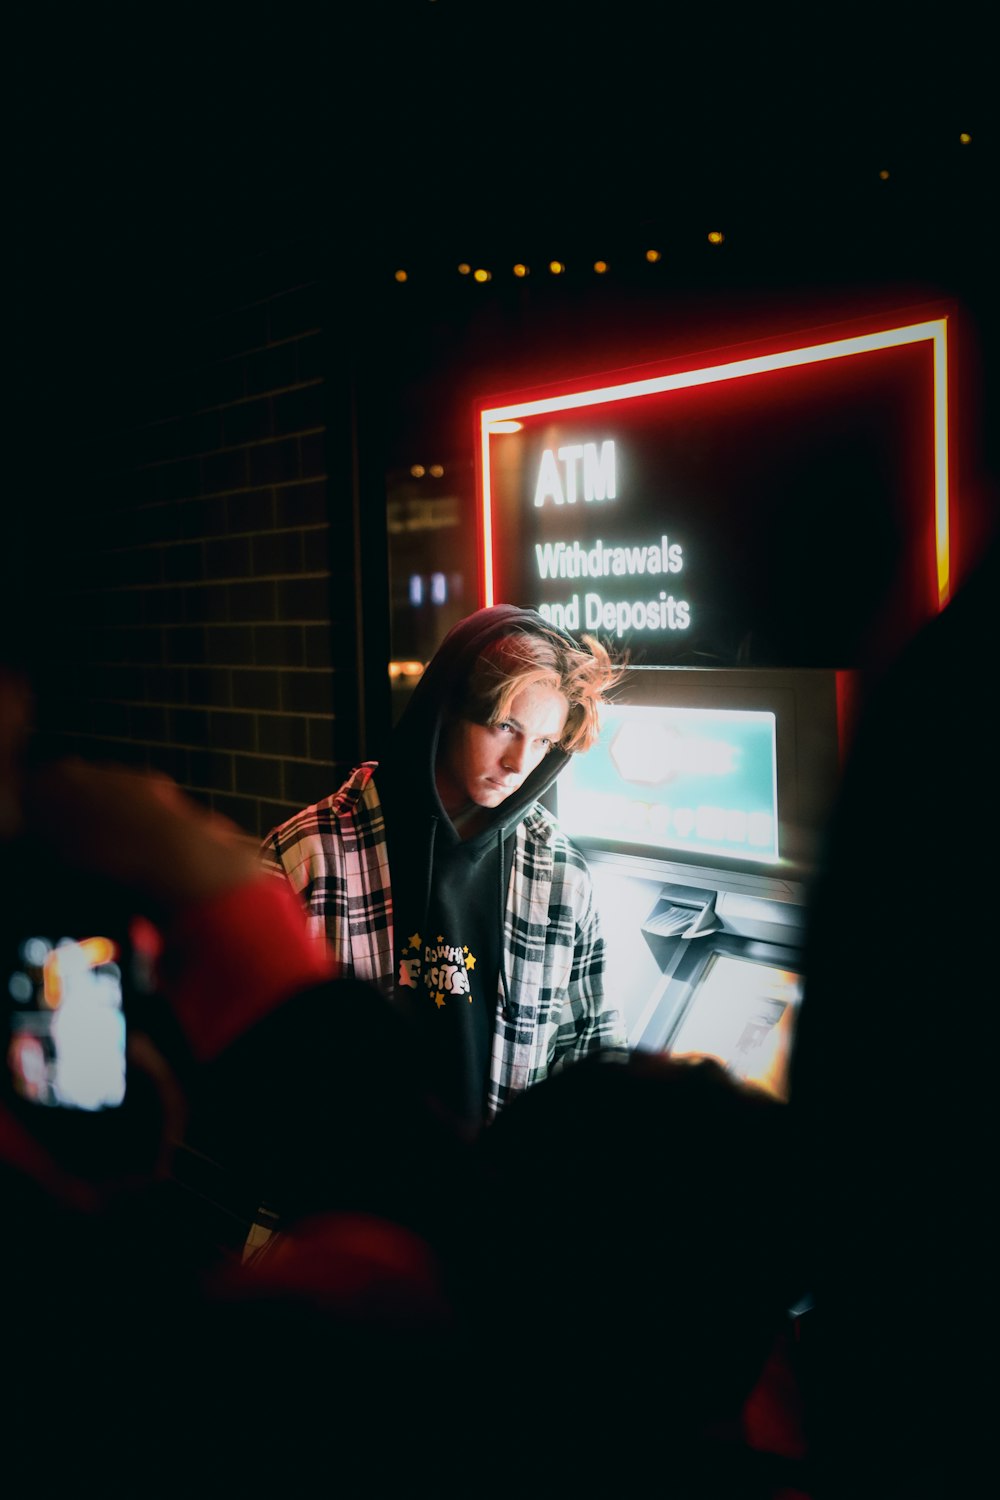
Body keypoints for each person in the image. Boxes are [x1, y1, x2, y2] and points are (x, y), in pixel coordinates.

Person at [261, 603, 628, 1132]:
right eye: (505, 726)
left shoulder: (561, 877)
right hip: (349, 1204)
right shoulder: (310, 857)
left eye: (544, 741)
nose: (520, 764)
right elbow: (254, 1073)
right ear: (448, 708)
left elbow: (593, 1065)